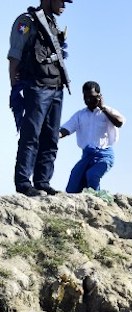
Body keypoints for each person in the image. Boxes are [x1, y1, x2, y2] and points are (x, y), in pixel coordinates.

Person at [9, 0, 72, 197]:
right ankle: (23, 183)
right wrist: (15, 88)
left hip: (56, 88)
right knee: (31, 136)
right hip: (36, 87)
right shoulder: (27, 21)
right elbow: (14, 56)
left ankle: (43, 182)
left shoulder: (53, 25)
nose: (64, 5)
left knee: (51, 138)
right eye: (61, 0)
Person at [59, 81, 125, 193]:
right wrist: (55, 136)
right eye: (86, 97)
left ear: (99, 96)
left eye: (92, 97)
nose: (89, 100)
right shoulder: (80, 115)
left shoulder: (107, 111)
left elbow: (119, 122)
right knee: (73, 183)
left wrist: (103, 108)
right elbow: (66, 129)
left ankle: (97, 199)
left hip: (104, 155)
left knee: (92, 175)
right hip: (87, 155)